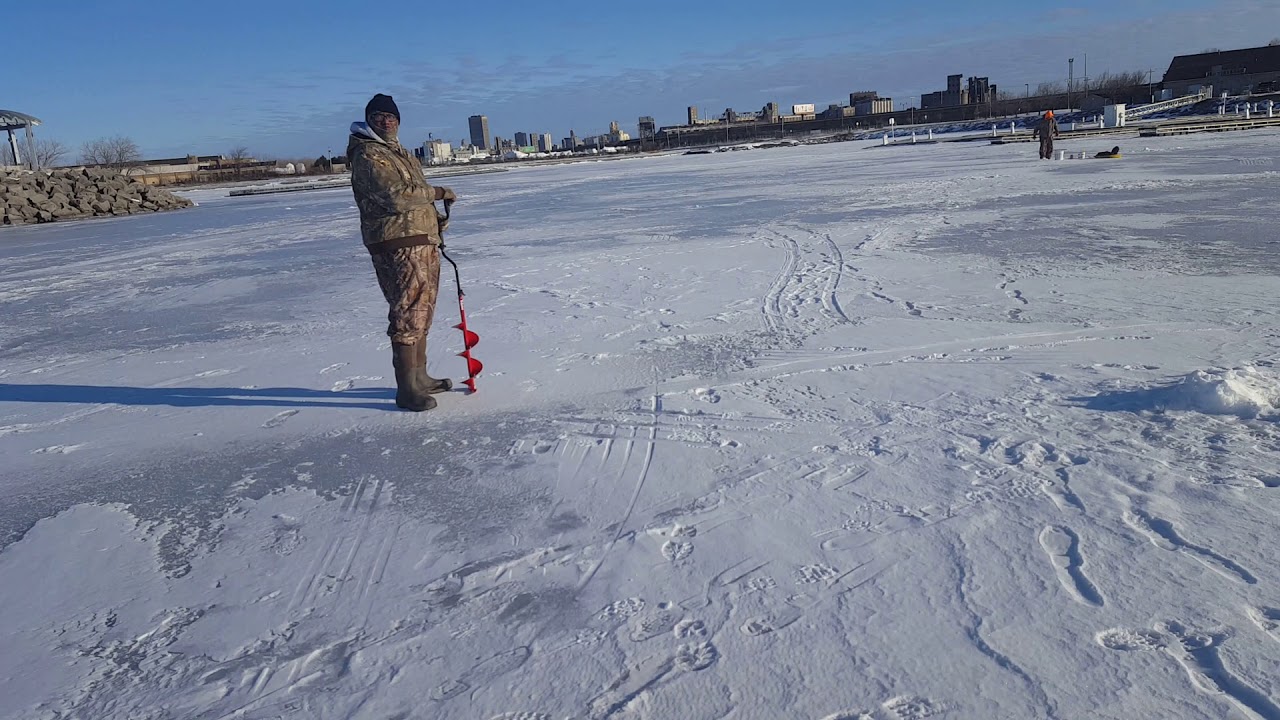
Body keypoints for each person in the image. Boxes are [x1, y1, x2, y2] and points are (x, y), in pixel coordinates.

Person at [348, 93, 456, 411]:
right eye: (379, 116)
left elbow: (415, 197)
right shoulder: (368, 154)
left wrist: (436, 223)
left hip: (420, 239)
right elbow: (395, 197)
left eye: (391, 116)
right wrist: (437, 192)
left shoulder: (400, 153)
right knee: (408, 309)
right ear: (369, 119)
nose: (386, 121)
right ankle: (407, 389)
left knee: (422, 308)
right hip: (396, 242)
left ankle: (420, 376)